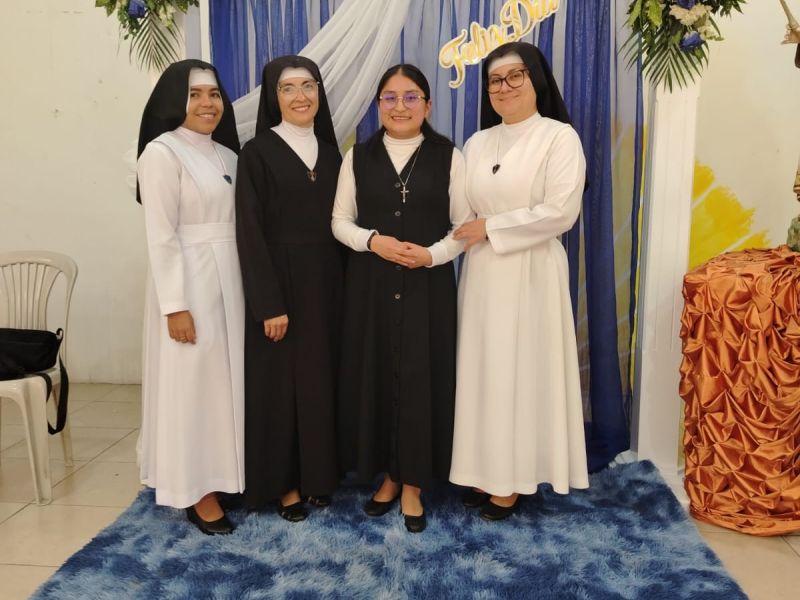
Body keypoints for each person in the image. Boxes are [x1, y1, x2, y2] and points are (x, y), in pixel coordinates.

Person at [449, 42, 590, 520]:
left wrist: (491, 227)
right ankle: (483, 471)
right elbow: (462, 212)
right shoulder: (476, 143)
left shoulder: (559, 137)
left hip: (532, 273)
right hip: (482, 274)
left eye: (515, 76)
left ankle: (513, 479)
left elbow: (561, 212)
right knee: (483, 372)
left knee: (521, 373)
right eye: (495, 80)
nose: (504, 87)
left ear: (536, 80)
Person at [332, 64, 470, 533]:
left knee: (419, 380)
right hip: (370, 287)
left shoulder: (450, 156)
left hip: (428, 288)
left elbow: (464, 227)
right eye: (389, 98)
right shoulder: (357, 157)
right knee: (378, 377)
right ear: (378, 106)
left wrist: (433, 255)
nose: (400, 106)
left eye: (411, 97)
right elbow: (339, 221)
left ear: (427, 106)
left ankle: (413, 484)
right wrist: (372, 241)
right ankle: (388, 477)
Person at [136, 60, 244, 535]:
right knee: (194, 384)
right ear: (174, 99)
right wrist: (174, 305)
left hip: (231, 280)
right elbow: (160, 236)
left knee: (225, 384)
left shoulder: (229, 155)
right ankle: (197, 490)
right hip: (190, 282)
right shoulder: (161, 153)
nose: (207, 103)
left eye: (214, 94)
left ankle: (224, 474)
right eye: (195, 94)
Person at [235, 56, 343, 522]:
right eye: (288, 88)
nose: (301, 96)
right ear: (273, 98)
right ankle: (284, 487)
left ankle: (319, 476)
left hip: (328, 283)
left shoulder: (333, 154)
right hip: (278, 283)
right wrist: (268, 303)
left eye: (308, 86)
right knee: (280, 387)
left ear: (319, 92)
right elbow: (249, 232)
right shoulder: (257, 153)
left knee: (321, 381)